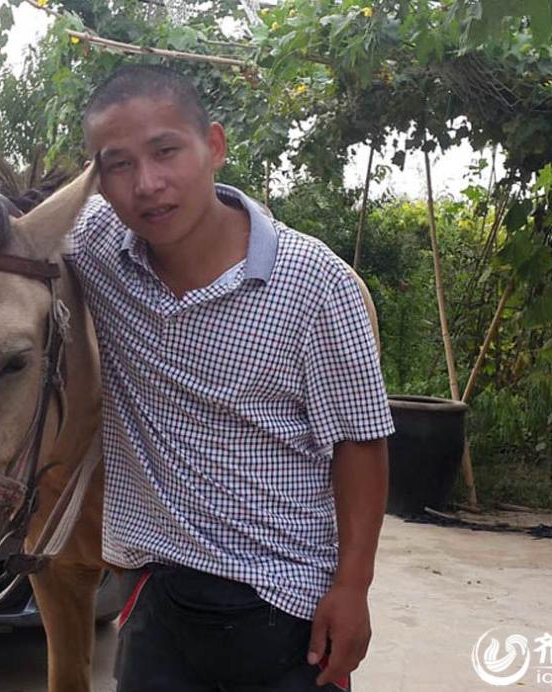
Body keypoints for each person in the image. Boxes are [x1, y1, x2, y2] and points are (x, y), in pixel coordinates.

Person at [65, 64, 394, 691]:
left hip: (285, 608)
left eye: (166, 151)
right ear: (98, 181)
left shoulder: (314, 283)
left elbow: (361, 442)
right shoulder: (94, 254)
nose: (148, 185)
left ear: (212, 145)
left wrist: (354, 588)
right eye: (119, 165)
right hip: (157, 603)